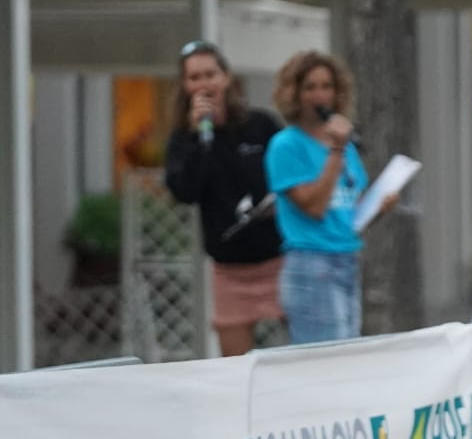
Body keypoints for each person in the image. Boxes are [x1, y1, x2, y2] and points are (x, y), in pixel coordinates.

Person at [163, 39, 284, 356]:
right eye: (195, 77)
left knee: (297, 356)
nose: (204, 84)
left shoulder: (260, 126)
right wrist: (197, 139)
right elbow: (184, 192)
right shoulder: (183, 139)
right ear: (185, 86)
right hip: (229, 270)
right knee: (235, 367)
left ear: (226, 78)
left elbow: (287, 175)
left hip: (278, 261)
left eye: (210, 74)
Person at [264, 50, 395, 343]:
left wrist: (378, 208)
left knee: (348, 353)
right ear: (294, 94)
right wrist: (335, 151)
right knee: (328, 359)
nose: (320, 95)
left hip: (347, 259)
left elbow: (349, 214)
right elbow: (314, 207)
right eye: (310, 87)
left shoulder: (345, 147)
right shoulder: (286, 145)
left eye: (327, 86)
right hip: (311, 264)